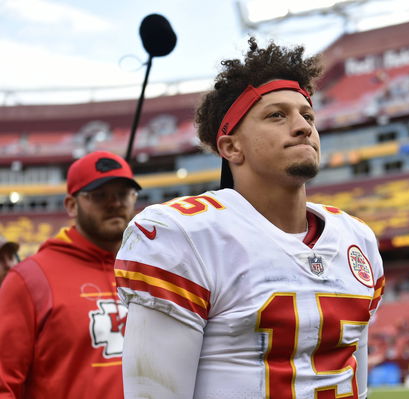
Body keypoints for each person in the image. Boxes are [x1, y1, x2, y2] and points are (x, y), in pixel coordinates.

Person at [115, 38, 385, 398]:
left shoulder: (357, 238)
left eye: (308, 116)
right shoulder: (183, 234)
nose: (303, 126)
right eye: (277, 115)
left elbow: (358, 386)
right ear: (231, 147)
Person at [0, 151, 141, 398]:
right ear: (71, 205)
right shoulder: (29, 279)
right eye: (99, 195)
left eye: (123, 194)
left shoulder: (149, 271)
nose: (115, 203)